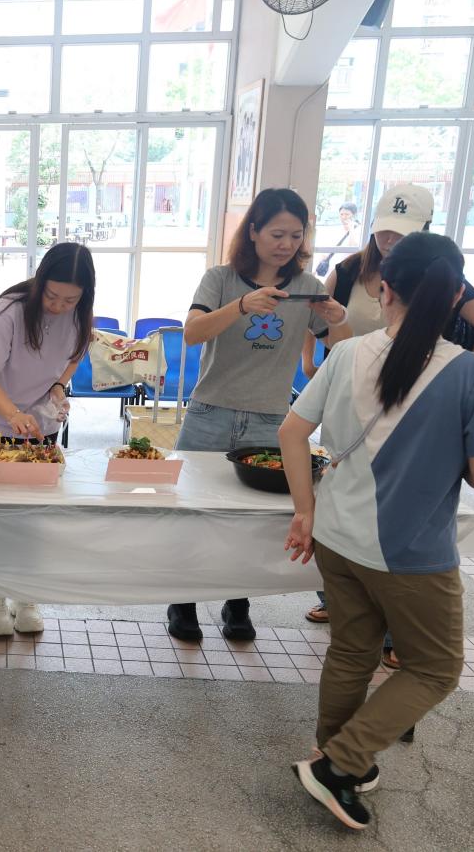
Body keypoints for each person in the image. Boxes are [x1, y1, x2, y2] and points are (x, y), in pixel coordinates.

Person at [280, 231, 474, 831]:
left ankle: (333, 754)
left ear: (383, 290)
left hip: (336, 535)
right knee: (436, 667)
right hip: (410, 550)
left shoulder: (345, 354)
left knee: (351, 649)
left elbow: (292, 433)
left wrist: (305, 511)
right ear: (456, 297)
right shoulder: (470, 373)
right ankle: (340, 763)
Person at [301, 184, 474, 643]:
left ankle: (391, 632)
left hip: (417, 406)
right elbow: (318, 319)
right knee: (354, 485)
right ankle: (339, 601)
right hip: (355, 392)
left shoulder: (438, 273)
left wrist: (460, 383)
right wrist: (312, 363)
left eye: (403, 232)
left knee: (394, 507)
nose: (391, 241)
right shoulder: (347, 271)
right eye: (384, 232)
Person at [165, 188, 351, 644]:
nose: (286, 244)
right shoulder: (221, 279)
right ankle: (183, 601)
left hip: (270, 418)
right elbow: (192, 333)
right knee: (191, 510)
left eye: (296, 235)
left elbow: (344, 348)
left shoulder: (306, 287)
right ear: (253, 231)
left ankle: (238, 600)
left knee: (253, 520)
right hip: (210, 412)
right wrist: (241, 306)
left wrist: (337, 316)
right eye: (276, 234)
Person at [0, 242, 95, 635]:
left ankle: (25, 595)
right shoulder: (9, 311)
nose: (59, 306)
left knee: (33, 514)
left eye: (70, 300)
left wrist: (58, 386)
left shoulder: (80, 314)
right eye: (52, 296)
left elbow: (77, 352)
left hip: (42, 422)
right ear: (40, 282)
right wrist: (13, 414)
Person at [314, 202, 360, 276]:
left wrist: (351, 229)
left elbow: (353, 248)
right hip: (331, 271)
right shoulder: (337, 230)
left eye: (347, 214)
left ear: (354, 215)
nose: (344, 217)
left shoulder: (359, 230)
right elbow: (326, 252)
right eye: (341, 214)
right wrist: (315, 269)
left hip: (346, 271)